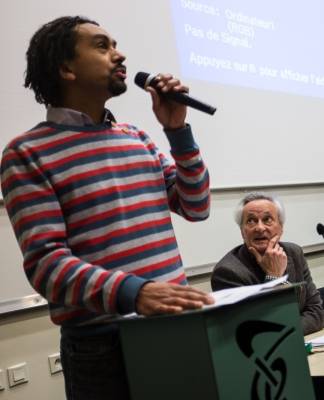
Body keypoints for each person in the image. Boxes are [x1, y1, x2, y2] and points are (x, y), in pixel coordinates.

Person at [1, 16, 214, 399]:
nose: (120, 54)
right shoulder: (26, 153)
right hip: (103, 347)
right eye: (102, 46)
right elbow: (46, 265)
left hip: (174, 327)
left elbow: (196, 206)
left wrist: (177, 130)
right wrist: (136, 292)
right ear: (66, 68)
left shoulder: (138, 139)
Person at [211, 192, 324, 335]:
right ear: (242, 231)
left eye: (267, 219)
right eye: (251, 221)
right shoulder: (227, 272)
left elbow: (317, 312)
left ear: (281, 228)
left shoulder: (294, 253)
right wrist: (273, 277)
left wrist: (288, 333)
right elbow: (258, 332)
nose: (259, 228)